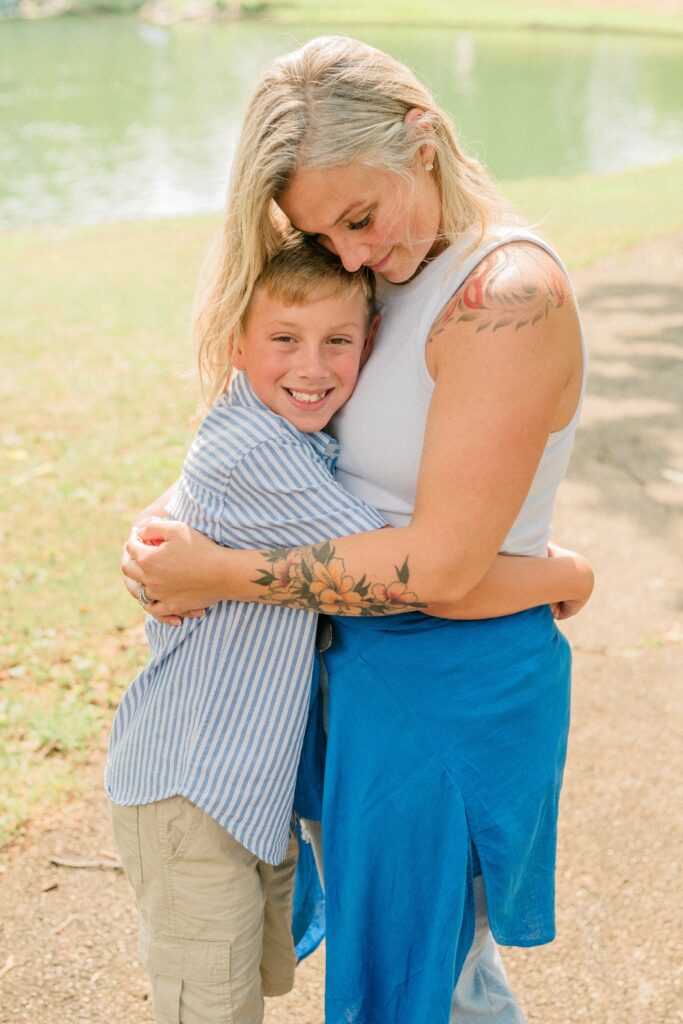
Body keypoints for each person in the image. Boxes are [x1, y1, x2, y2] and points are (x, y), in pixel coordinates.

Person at [121, 35, 592, 1024]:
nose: (348, 253)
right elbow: (298, 435)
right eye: (321, 233)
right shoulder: (385, 271)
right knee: (423, 978)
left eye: (358, 217)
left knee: (426, 990)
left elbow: (441, 566)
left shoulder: (505, 297)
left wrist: (217, 570)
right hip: (351, 678)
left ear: (421, 137)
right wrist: (175, 513)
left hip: (447, 686)